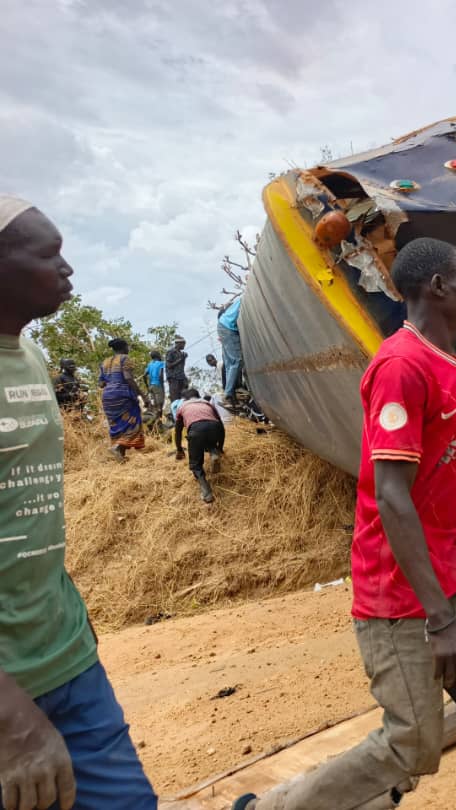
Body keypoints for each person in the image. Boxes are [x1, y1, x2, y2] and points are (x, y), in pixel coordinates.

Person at [233, 238, 456, 810]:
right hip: (400, 591)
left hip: (451, 572)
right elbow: (391, 496)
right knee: (411, 746)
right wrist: (440, 619)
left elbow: (436, 480)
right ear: (437, 287)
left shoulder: (448, 366)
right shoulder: (401, 367)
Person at [0, 194, 157, 809]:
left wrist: (67, 602)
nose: (67, 269)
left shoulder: (31, 358)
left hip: (68, 659)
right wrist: (12, 719)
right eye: (49, 255)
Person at [174, 388, 225, 503]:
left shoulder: (182, 406)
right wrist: (220, 448)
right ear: (198, 396)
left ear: (185, 399)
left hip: (196, 430)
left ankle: (207, 494)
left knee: (195, 465)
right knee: (208, 440)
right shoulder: (207, 404)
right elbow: (221, 426)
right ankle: (214, 453)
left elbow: (177, 431)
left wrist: (179, 449)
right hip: (215, 427)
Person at [97, 338, 145, 461]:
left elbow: (101, 383)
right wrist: (142, 395)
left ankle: (120, 456)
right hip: (123, 395)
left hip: (108, 397)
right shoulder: (125, 358)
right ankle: (117, 447)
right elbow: (128, 378)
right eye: (127, 346)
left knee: (117, 424)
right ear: (123, 347)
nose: (128, 349)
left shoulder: (104, 362)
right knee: (132, 421)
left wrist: (111, 381)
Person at [217, 295, 244, 403]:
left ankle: (230, 392)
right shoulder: (245, 298)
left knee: (229, 364)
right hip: (228, 328)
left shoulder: (238, 301)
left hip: (222, 326)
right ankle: (229, 393)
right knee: (237, 360)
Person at [142, 349, 166, 423]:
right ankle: (159, 423)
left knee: (154, 405)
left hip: (151, 386)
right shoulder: (161, 363)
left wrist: (147, 385)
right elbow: (160, 375)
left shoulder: (150, 365)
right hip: (158, 385)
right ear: (158, 356)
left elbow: (144, 375)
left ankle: (154, 422)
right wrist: (162, 386)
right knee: (160, 405)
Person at [165, 335, 188, 402]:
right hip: (174, 378)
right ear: (178, 343)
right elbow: (169, 365)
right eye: (183, 344)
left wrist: (183, 358)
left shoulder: (181, 353)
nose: (184, 346)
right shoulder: (171, 352)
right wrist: (180, 360)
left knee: (184, 397)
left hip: (181, 377)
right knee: (175, 397)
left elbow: (181, 367)